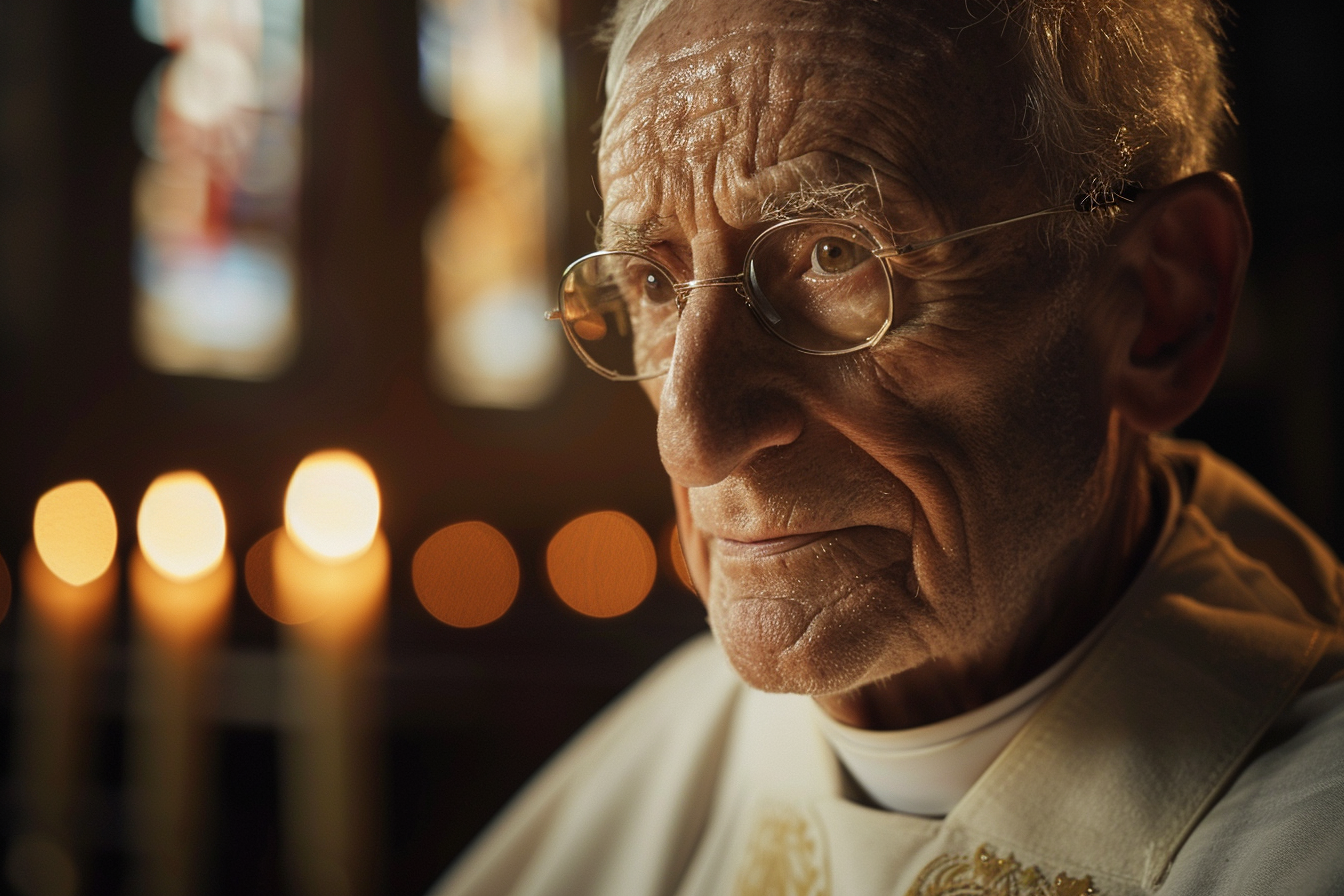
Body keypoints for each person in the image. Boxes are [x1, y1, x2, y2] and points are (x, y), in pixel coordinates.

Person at [431, 0, 1344, 893]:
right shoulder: (674, 742)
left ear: (1161, 307)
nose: (693, 437)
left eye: (836, 255)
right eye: (654, 283)